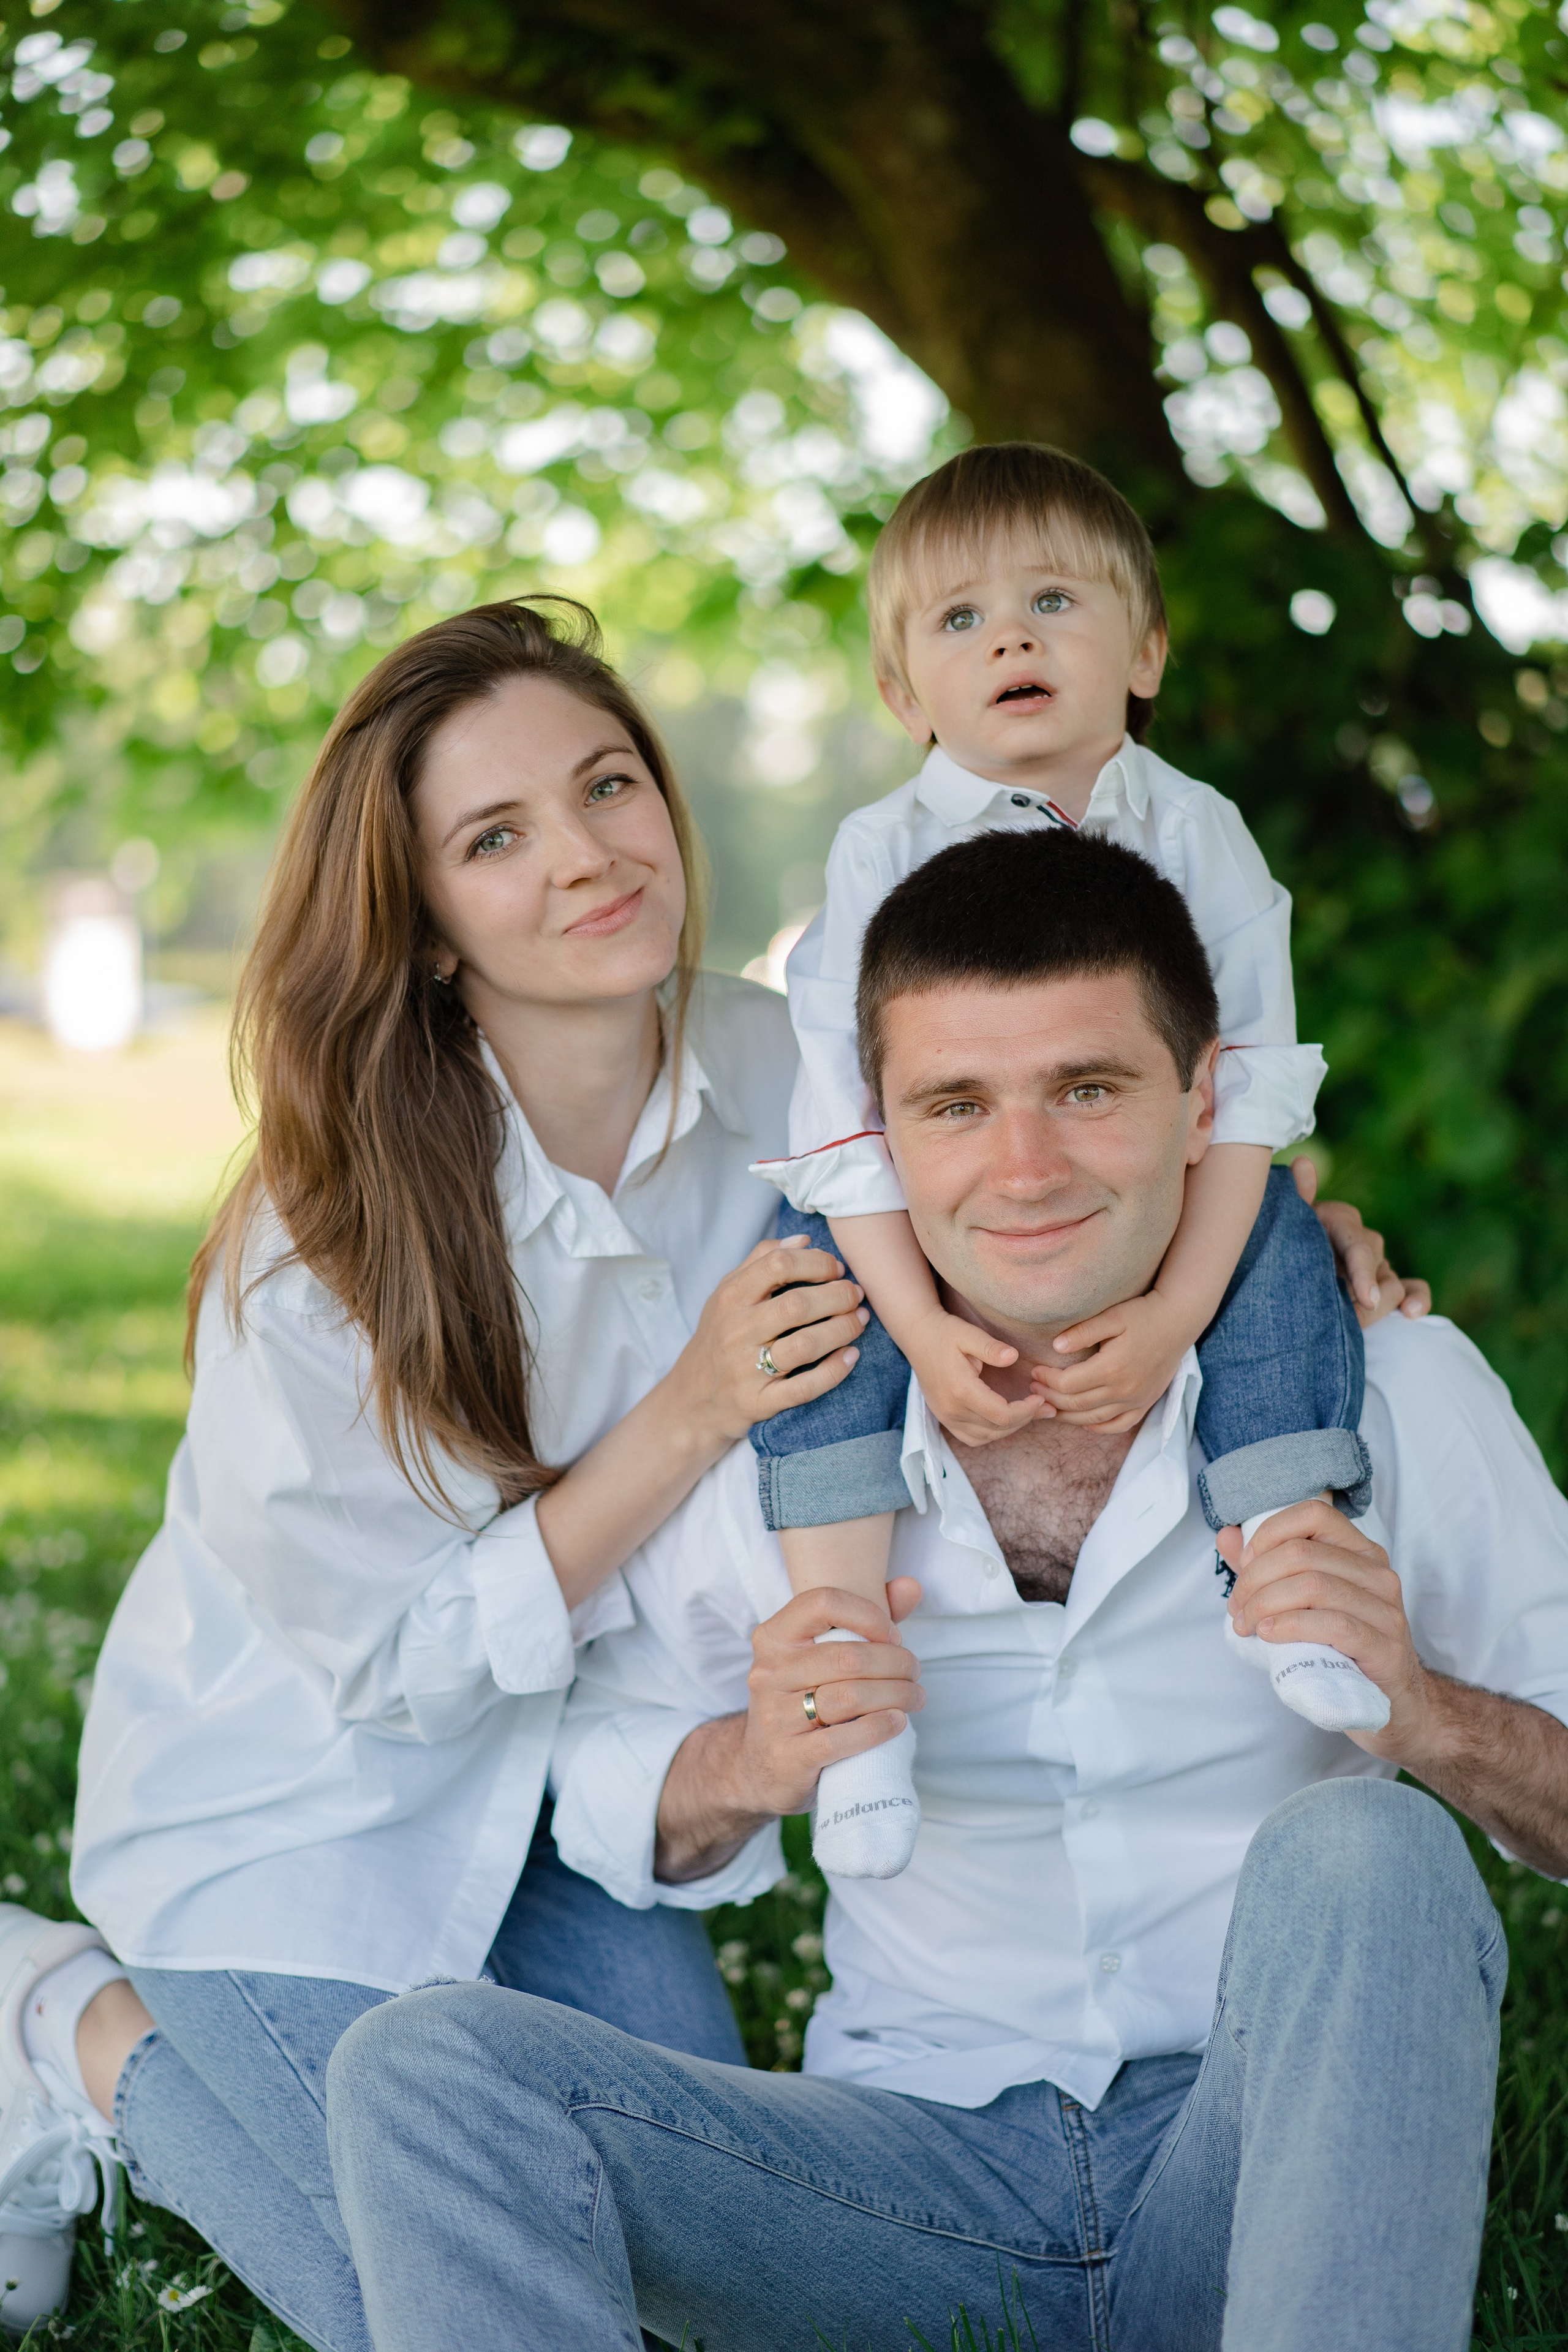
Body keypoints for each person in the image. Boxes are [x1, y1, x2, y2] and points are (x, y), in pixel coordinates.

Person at [325, 827, 1568, 2352]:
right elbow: (605, 1783)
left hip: (1257, 2162)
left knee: (1370, 1847)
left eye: (1089, 1090)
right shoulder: (786, 1428)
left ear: (1201, 1105)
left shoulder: (1383, 1393)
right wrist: (750, 1761)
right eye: (954, 1106)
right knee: (422, 2072)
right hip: (907, 2190)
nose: (1024, 1169)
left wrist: (1425, 1714)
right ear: (874, 1143)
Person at [0, 600, 869, 2348]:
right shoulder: (314, 1243)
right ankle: (61, 2025)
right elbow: (398, 1673)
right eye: (497, 837)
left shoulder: (793, 1071)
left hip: (574, 1793)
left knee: (711, 2286)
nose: (589, 855)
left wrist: (1286, 1258)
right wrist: (690, 1412)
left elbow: (1031, 1212)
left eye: (607, 784)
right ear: (425, 926)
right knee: (433, 2300)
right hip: (297, 1807)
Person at [747, 442, 1426, 1878]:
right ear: (898, 689)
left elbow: (1242, 1097)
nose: (1008, 637)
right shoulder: (878, 855)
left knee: (1281, 1246)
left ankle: (1287, 1549)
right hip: (904, 1217)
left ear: (1145, 651)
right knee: (804, 1283)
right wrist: (923, 1331)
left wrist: (1175, 1312)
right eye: (957, 620)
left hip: (1167, 1193)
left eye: (1053, 600)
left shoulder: (1198, 834)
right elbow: (844, 1129)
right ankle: (846, 1653)